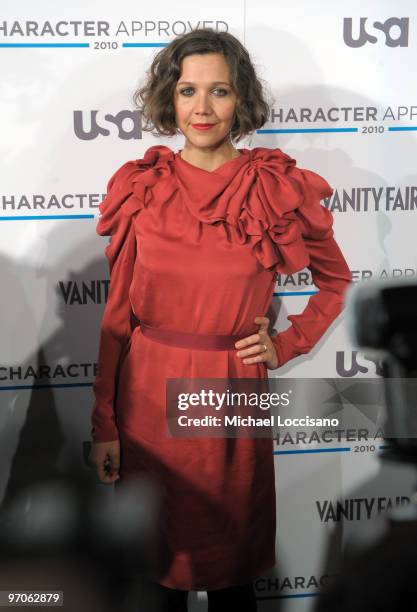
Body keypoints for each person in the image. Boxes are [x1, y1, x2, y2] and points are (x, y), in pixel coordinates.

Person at [89, 28, 352, 612]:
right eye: (188, 90)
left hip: (233, 394)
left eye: (220, 91)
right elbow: (116, 320)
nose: (202, 108)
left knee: (234, 580)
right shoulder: (143, 187)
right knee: (157, 578)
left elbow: (335, 281)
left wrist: (288, 343)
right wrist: (103, 422)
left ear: (242, 100)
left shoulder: (275, 187)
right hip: (148, 397)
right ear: (169, 99)